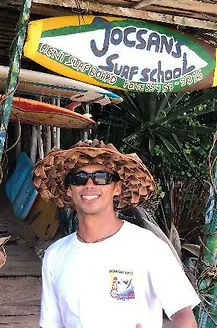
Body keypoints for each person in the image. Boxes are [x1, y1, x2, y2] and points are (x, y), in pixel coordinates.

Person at [33, 139, 200, 328]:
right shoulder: (55, 255)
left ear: (117, 188)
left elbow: (185, 317)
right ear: (69, 189)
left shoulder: (148, 247)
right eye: (79, 178)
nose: (89, 184)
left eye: (101, 177)